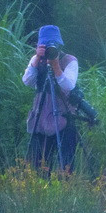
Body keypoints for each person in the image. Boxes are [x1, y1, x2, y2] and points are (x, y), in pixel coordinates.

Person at [23, 24, 79, 173]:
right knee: (38, 164)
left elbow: (68, 85)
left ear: (60, 44)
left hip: (63, 118)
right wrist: (36, 60)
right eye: (45, 45)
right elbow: (27, 81)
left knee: (66, 164)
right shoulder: (36, 60)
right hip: (40, 118)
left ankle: (66, 188)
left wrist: (56, 67)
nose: (49, 48)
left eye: (53, 45)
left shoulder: (69, 60)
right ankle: (40, 190)